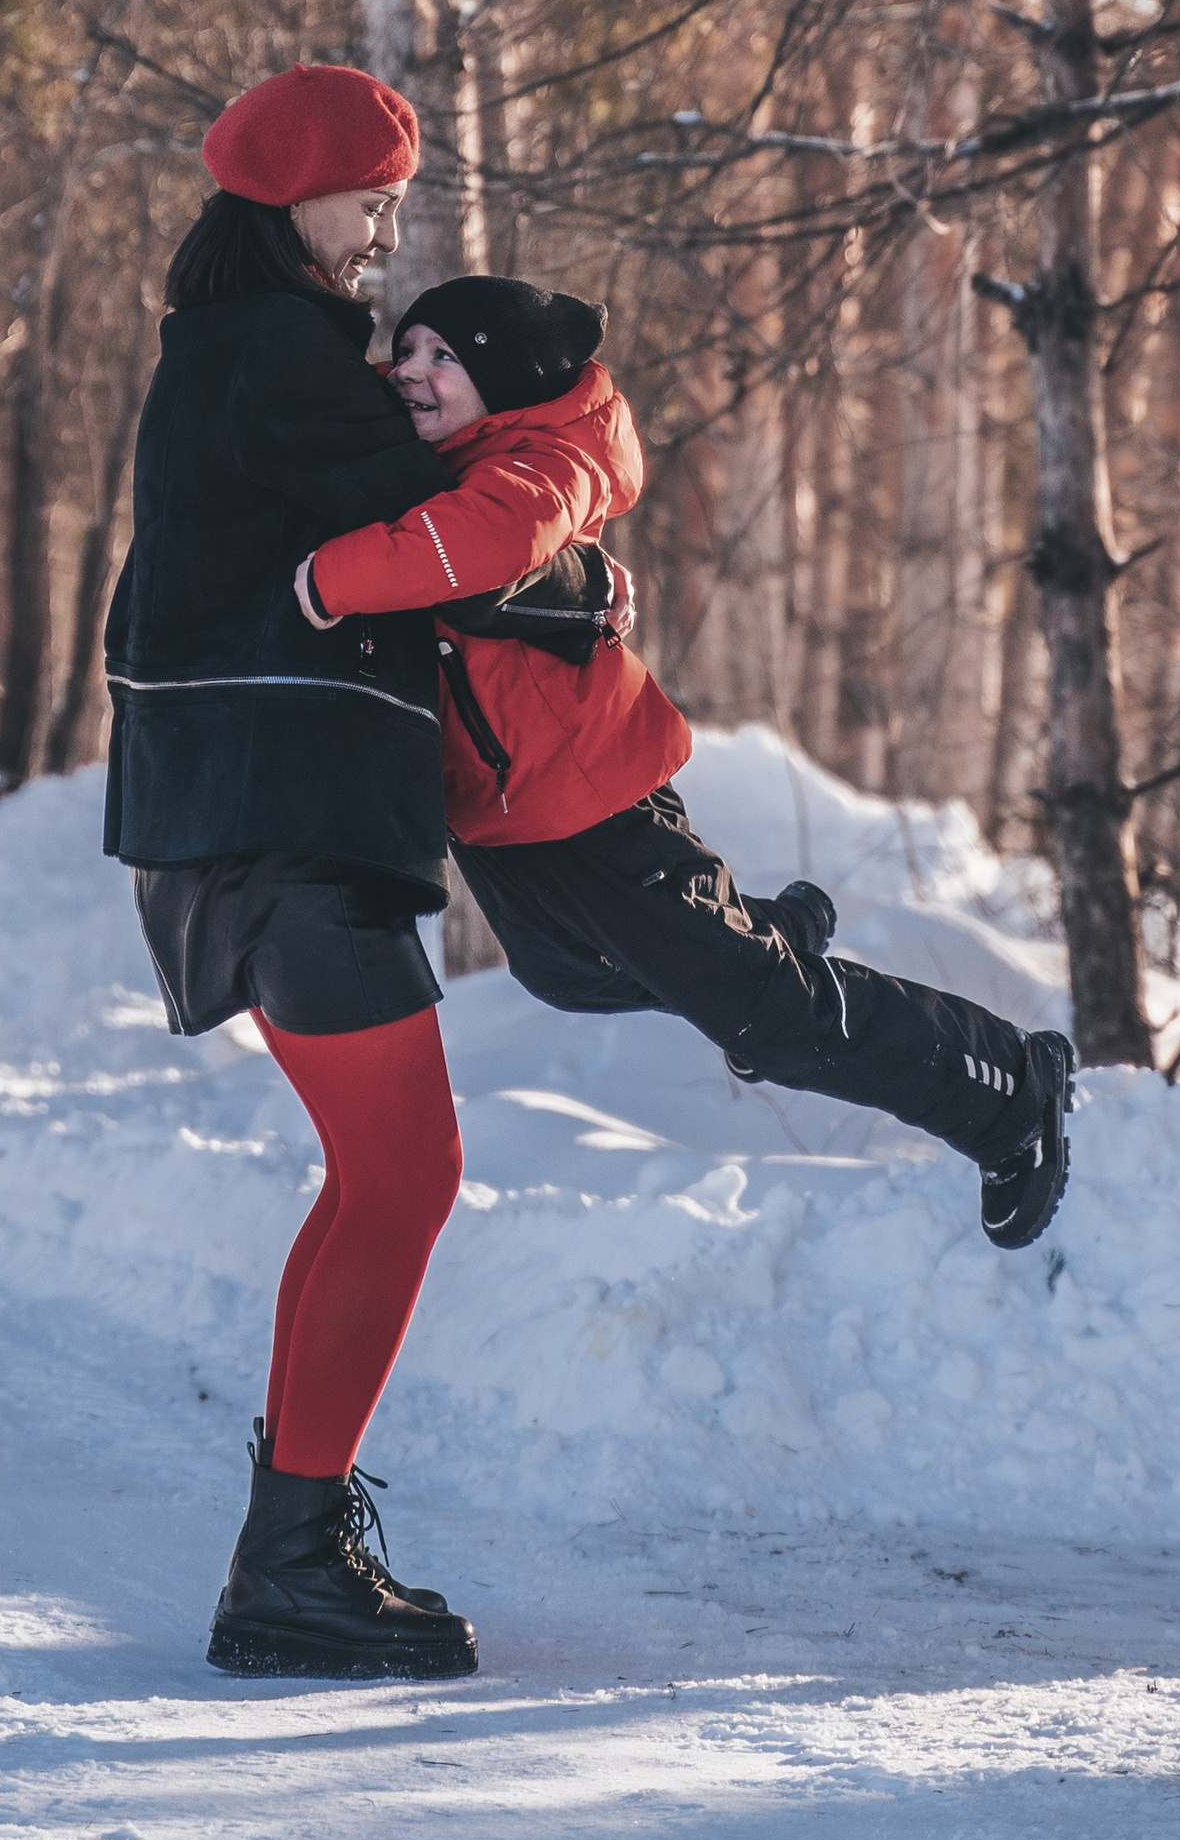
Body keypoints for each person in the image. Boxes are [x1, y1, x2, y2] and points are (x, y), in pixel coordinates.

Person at [103, 64, 600, 1686]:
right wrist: (572, 461)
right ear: (295, 196)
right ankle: (292, 1562)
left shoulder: (255, 353)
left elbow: (403, 550)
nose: (392, 220)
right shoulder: (279, 355)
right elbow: (445, 518)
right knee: (403, 1175)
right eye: (373, 193)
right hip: (276, 822)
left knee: (381, 1173)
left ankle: (294, 1544)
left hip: (256, 816)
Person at [294, 274, 1077, 1251]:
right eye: (404, 350)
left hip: (590, 802)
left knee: (766, 1020)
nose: (410, 371)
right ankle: (765, 937)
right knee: (566, 978)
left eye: (442, 357)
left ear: (504, 378)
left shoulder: (543, 460)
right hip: (506, 815)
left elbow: (492, 540)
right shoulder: (458, 451)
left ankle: (1005, 1090)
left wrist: (327, 580)